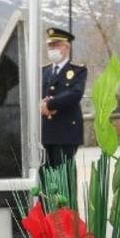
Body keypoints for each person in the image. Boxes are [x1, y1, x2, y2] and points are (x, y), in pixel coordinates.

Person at [40, 27, 87, 168]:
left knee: (64, 179)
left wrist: (49, 105)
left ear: (66, 47)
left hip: (66, 132)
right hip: (45, 133)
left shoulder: (77, 70)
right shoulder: (43, 71)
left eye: (56, 45)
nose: (52, 49)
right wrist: (39, 105)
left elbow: (75, 94)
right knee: (45, 180)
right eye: (50, 45)